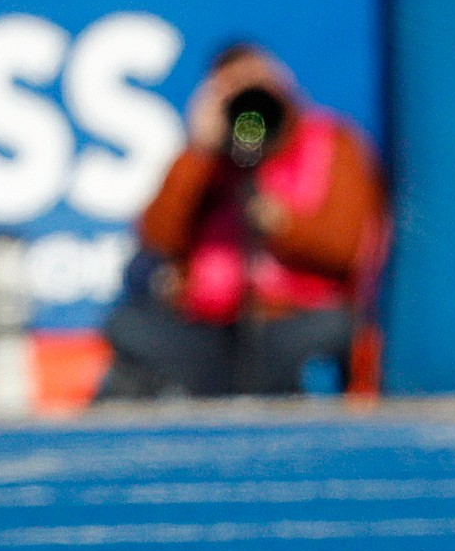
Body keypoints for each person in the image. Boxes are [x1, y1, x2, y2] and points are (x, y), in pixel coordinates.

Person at [100, 44, 387, 399]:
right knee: (129, 327)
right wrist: (198, 153)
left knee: (330, 330)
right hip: (209, 329)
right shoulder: (206, 162)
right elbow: (157, 237)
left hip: (291, 321)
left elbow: (347, 248)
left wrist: (283, 225)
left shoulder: (333, 144)